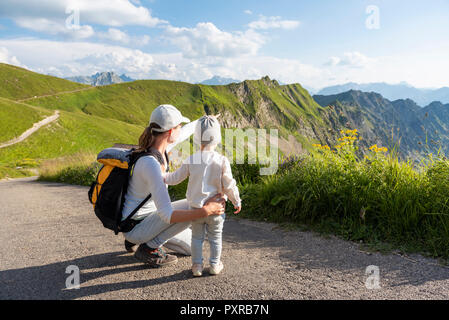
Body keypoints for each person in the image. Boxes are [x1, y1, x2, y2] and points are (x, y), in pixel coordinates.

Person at [121, 104, 226, 268]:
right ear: (170, 132)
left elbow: (185, 132)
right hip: (137, 226)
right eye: (179, 126)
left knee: (192, 248)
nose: (181, 129)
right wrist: (206, 211)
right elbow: (167, 215)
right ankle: (148, 248)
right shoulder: (151, 164)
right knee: (194, 205)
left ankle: (144, 239)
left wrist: (207, 120)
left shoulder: (158, 148)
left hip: (144, 219)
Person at [164, 115, 241, 276]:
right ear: (217, 137)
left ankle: (197, 266)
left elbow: (175, 178)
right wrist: (236, 200)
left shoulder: (191, 159)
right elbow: (229, 184)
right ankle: (214, 264)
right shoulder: (221, 160)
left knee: (197, 238)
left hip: (196, 208)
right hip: (216, 210)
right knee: (215, 238)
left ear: (197, 137)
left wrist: (161, 175)